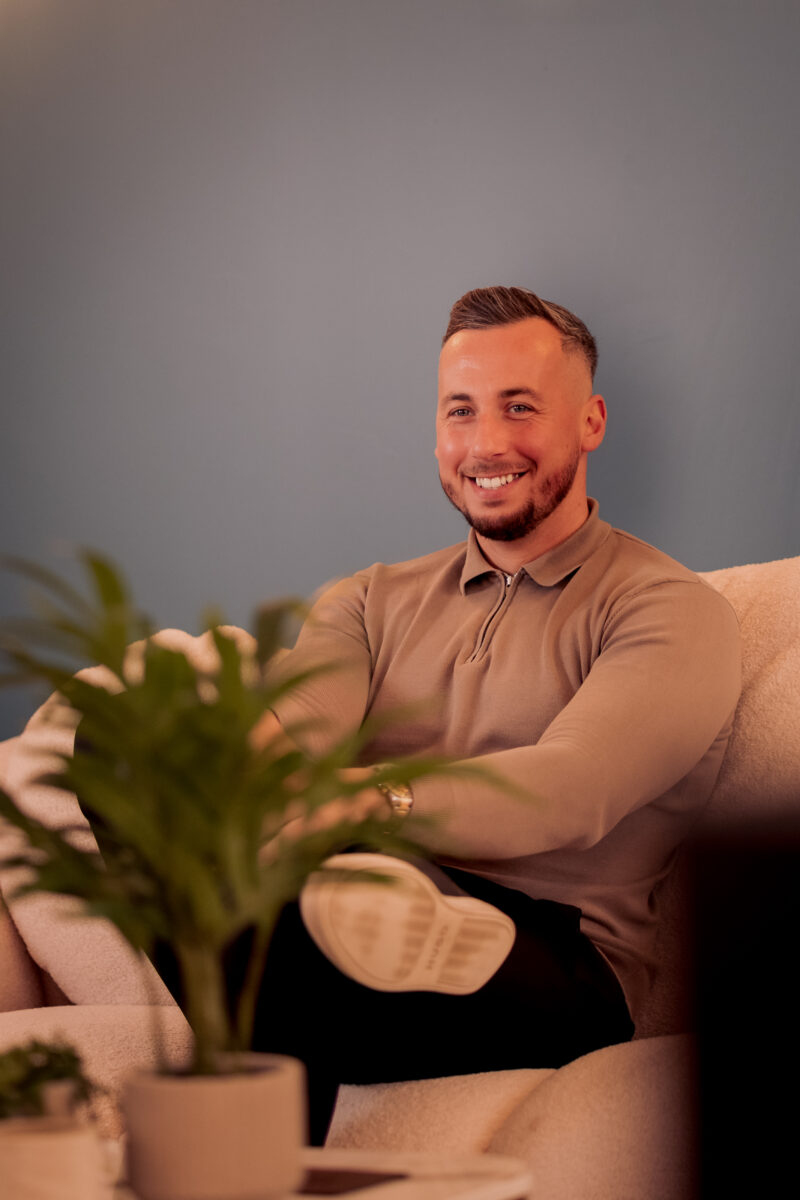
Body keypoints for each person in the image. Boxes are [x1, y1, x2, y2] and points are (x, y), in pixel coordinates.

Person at [159, 286, 742, 1143]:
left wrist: (360, 803)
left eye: (520, 407)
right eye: (461, 411)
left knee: (311, 888)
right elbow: (302, 730)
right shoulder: (368, 599)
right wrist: (218, 767)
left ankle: (359, 929)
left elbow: (571, 789)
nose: (486, 444)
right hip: (337, 920)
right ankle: (337, 940)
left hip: (547, 966)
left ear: (590, 422)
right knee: (125, 746)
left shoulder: (671, 610)